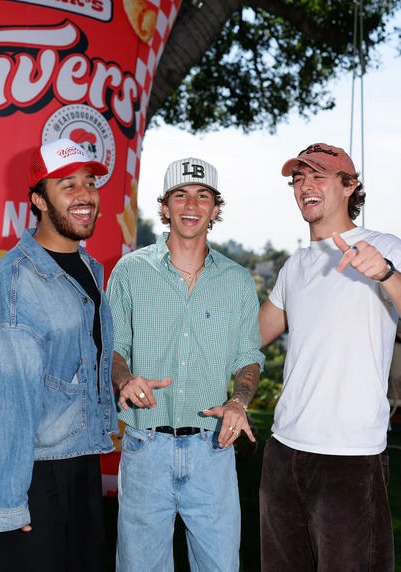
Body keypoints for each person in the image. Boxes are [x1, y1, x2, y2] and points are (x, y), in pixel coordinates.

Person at [258, 143, 401, 571]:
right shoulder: (295, 266)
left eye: (319, 176)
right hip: (283, 449)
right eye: (299, 178)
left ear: (349, 185)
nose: (306, 185)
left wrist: (386, 273)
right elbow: (249, 337)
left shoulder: (382, 246)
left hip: (350, 454)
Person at [0, 138, 118, 572]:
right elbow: (8, 405)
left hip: (80, 460)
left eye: (89, 182)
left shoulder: (86, 268)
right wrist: (11, 505)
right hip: (35, 475)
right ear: (38, 200)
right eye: (67, 185)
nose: (85, 194)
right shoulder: (16, 284)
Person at [107, 157, 265, 571]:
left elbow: (249, 358)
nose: (191, 204)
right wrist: (123, 377)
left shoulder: (237, 280)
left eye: (202, 195)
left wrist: (239, 401)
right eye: (180, 194)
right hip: (145, 449)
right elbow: (114, 347)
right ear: (165, 207)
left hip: (212, 450)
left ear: (215, 208)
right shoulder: (129, 271)